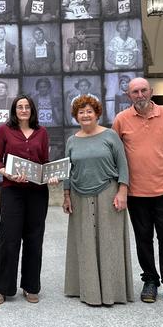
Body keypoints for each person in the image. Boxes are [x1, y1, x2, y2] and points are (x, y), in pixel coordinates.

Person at [112, 78, 163, 307]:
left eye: (144, 90)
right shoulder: (121, 120)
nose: (140, 95)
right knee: (143, 239)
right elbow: (115, 154)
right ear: (129, 95)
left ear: (151, 92)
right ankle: (150, 280)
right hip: (135, 193)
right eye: (135, 92)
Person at [63, 95, 133, 306]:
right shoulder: (72, 141)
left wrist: (122, 192)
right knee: (84, 242)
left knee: (109, 241)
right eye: (81, 112)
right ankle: (87, 290)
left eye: (89, 111)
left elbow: (123, 165)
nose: (85, 115)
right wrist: (66, 196)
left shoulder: (110, 136)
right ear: (76, 116)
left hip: (108, 194)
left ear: (96, 114)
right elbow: (68, 170)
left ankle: (114, 291)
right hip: (79, 196)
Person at [0, 96, 60, 305]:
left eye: (27, 106)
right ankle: (3, 288)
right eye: (19, 107)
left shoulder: (42, 132)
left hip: (37, 192)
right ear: (14, 110)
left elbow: (45, 162)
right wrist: (8, 174)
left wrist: (52, 175)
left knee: (34, 239)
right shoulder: (5, 130)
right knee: (8, 239)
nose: (23, 110)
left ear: (32, 110)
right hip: (12, 190)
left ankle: (31, 286)